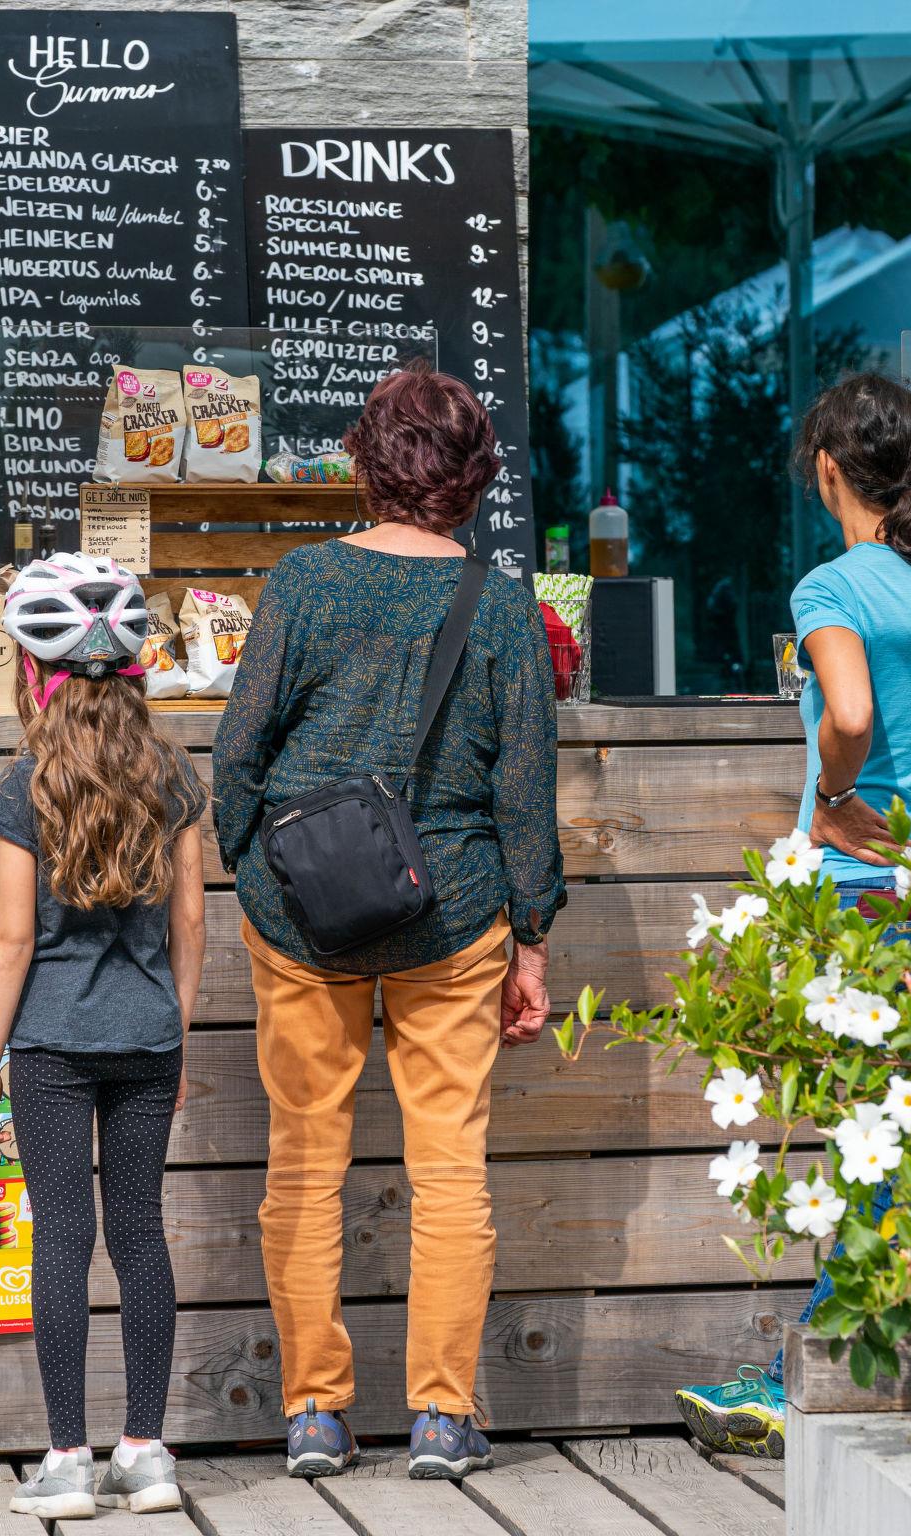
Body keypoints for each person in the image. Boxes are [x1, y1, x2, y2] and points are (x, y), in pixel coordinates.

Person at [213, 360, 564, 1482]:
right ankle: (441, 1419)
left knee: (303, 1165)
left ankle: (315, 1414)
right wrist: (532, 938)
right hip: (451, 915)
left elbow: (238, 753)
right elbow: (524, 787)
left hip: (301, 913)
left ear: (367, 462)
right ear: (472, 479)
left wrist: (253, 869)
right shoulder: (500, 603)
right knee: (450, 1171)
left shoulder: (305, 581)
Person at [676, 374, 911, 1460]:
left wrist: (835, 794)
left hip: (862, 898)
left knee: (872, 1138)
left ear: (825, 470)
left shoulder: (830, 588)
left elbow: (852, 713)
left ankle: (804, 1377)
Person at [0, 553, 208, 1519]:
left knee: (62, 1241)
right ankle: (146, 1455)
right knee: (141, 1236)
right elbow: (192, 921)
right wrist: (174, 1032)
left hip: (51, 1047)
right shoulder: (174, 775)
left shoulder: (25, 783)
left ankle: (67, 1461)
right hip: (148, 1042)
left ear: (36, 672)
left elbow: (13, 939)